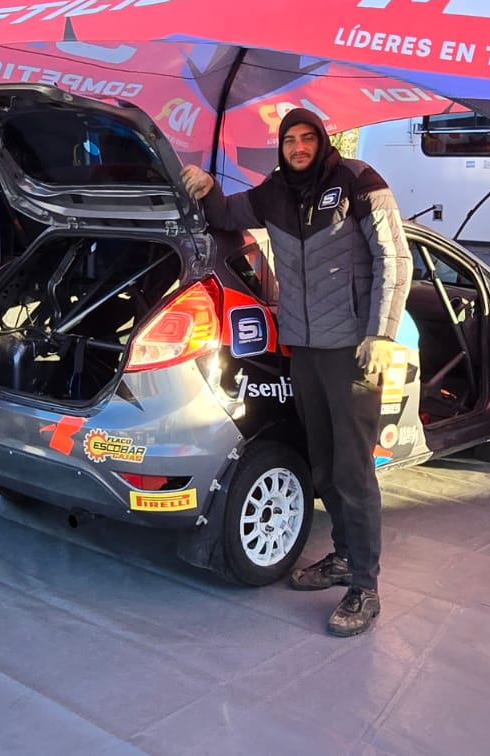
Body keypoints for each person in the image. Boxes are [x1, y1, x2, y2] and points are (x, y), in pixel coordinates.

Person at [180, 109, 410, 637]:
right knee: (323, 466)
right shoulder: (275, 193)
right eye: (290, 140)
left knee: (353, 471)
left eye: (308, 138)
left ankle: (365, 587)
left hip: (353, 350)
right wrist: (207, 186)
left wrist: (380, 333)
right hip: (302, 347)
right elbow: (227, 214)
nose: (299, 147)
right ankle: (344, 558)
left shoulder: (358, 181)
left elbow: (393, 258)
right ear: (281, 146)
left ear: (322, 141)